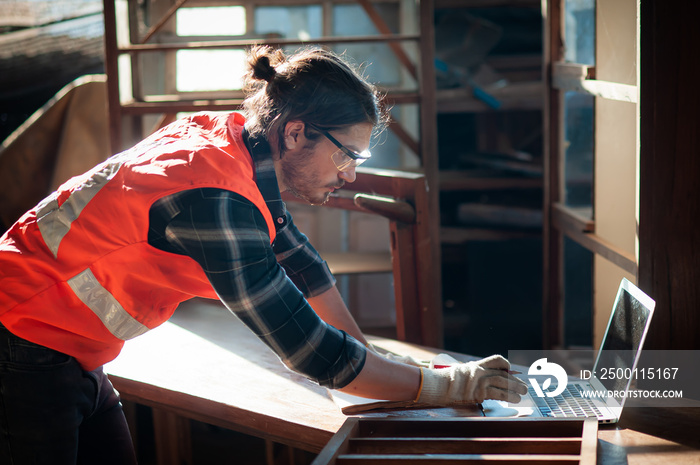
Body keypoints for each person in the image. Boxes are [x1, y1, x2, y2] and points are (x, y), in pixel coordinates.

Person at [0, 45, 526, 464]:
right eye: (349, 155)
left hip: (65, 345)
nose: (350, 175)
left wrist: (374, 358)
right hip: (22, 342)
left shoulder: (227, 139)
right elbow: (312, 353)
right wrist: (448, 384)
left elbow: (298, 258)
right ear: (295, 132)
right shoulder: (213, 198)